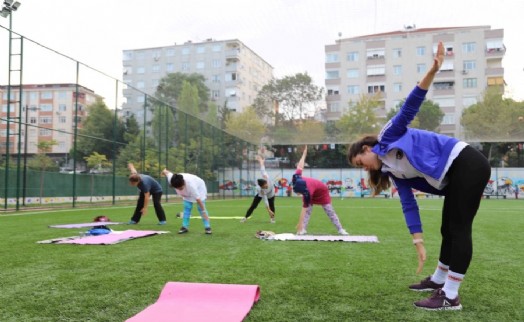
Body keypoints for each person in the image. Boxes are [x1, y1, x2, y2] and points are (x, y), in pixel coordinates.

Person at [347, 42, 491, 311]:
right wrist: (418, 242)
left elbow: (410, 106)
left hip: (467, 163)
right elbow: (408, 205)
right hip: (456, 175)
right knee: (447, 228)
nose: (364, 168)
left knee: (458, 229)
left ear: (367, 149)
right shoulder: (392, 172)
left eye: (361, 162)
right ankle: (439, 280)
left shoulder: (388, 135)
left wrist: (433, 71)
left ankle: (451, 295)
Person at [292, 145, 349, 236]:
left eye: (300, 193)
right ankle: (303, 230)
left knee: (329, 211)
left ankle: (341, 229)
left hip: (322, 192)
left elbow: (303, 210)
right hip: (312, 190)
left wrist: (299, 224)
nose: (299, 194)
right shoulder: (296, 177)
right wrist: (304, 154)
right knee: (308, 211)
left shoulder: (307, 192)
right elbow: (300, 165)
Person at [161, 169, 212, 235]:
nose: (179, 189)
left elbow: (198, 200)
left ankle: (207, 227)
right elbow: (166, 172)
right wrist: (163, 172)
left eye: (180, 188)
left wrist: (204, 212)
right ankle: (184, 227)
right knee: (187, 207)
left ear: (183, 183)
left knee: (200, 208)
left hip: (199, 188)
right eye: (177, 188)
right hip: (186, 193)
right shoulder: (172, 179)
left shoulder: (191, 185)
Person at [241, 155, 276, 223]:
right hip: (264, 194)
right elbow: (265, 200)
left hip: (271, 193)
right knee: (253, 205)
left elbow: (262, 168)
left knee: (272, 205)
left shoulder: (266, 177)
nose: (266, 186)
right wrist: (268, 210)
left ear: (266, 182)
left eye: (266, 185)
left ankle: (272, 219)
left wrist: (261, 161)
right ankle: (245, 217)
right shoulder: (260, 189)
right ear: (261, 186)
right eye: (264, 187)